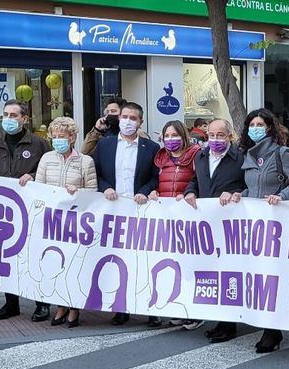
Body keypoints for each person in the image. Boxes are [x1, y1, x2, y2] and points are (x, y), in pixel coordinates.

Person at [229, 108, 289, 353]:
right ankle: (267, 324)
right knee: (256, 276)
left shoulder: (282, 152)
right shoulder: (247, 156)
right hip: (254, 227)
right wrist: (238, 196)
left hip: (276, 226)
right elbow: (251, 188)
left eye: (260, 124)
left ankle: (272, 331)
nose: (255, 128)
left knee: (272, 277)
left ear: (270, 127)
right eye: (252, 124)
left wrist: (280, 197)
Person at [0, 100, 52, 322]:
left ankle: (41, 303)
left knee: (33, 255)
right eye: (6, 114)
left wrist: (34, 177)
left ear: (24, 119)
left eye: (14, 115)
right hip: (5, 211)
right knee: (8, 255)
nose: (9, 119)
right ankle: (11, 303)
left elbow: (49, 169)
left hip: (32, 209)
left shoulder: (38, 143)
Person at [93, 102, 160, 326]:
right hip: (113, 213)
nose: (128, 121)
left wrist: (143, 192)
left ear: (140, 122)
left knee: (144, 261)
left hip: (141, 211)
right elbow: (97, 173)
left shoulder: (151, 148)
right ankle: (121, 308)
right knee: (119, 262)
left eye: (133, 118)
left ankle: (152, 310)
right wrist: (105, 188)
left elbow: (154, 177)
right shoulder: (105, 145)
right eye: (124, 116)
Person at [182, 118, 246, 341]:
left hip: (229, 226)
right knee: (209, 273)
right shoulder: (200, 156)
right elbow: (195, 180)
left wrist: (235, 192)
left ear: (229, 136)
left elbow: (246, 185)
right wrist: (190, 191)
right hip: (205, 224)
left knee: (227, 273)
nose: (215, 140)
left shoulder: (239, 158)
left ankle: (228, 324)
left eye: (220, 135)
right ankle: (217, 319)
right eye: (211, 135)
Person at [32, 117, 97, 328]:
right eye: (55, 136)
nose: (58, 140)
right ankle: (60, 305)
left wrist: (79, 192)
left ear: (72, 137)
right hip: (52, 222)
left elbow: (93, 192)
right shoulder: (46, 159)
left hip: (76, 222)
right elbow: (38, 189)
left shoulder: (85, 161)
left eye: (63, 136)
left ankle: (74, 307)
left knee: (74, 264)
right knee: (54, 264)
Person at [150, 120, 201, 328]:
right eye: (167, 135)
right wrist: (153, 191)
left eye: (175, 135)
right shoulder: (161, 158)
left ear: (184, 136)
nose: (171, 139)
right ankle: (177, 306)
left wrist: (189, 193)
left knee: (190, 265)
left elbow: (199, 180)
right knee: (172, 265)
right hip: (166, 218)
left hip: (188, 218)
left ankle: (194, 311)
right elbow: (154, 181)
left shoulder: (196, 155)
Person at [82, 97, 149, 155]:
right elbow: (85, 152)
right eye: (108, 112)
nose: (109, 114)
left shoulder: (136, 133)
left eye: (113, 111)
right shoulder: (104, 134)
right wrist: (97, 130)